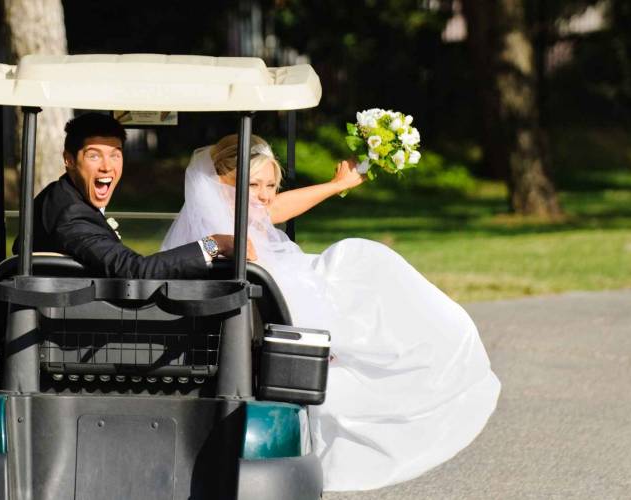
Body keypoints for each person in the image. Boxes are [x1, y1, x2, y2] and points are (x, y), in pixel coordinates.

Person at [161, 134, 501, 491]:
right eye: (254, 185)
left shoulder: (241, 210)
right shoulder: (216, 226)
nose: (264, 195)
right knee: (361, 263)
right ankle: (394, 349)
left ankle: (425, 341)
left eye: (270, 185)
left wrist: (337, 184)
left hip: (291, 295)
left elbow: (274, 208)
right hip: (278, 311)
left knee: (364, 261)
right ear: (224, 182)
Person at [17, 112, 247, 278]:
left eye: (115, 155)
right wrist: (215, 244)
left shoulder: (58, 195)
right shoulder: (71, 215)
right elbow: (135, 270)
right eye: (94, 156)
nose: (107, 167)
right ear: (69, 160)